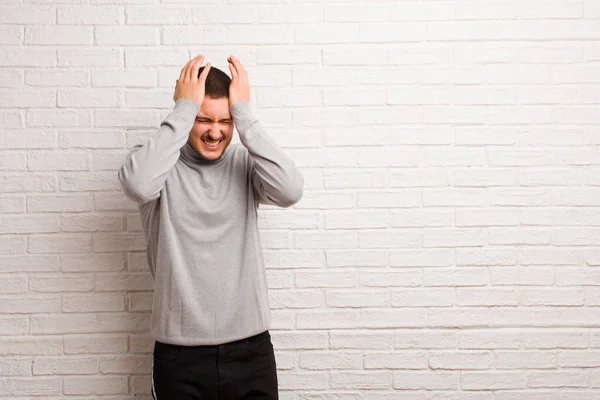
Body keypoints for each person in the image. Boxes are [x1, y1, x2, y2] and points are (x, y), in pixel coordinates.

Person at [118, 54, 304, 399]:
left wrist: (245, 114)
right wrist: (182, 109)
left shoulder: (245, 165)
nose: (215, 132)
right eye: (203, 119)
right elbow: (138, 186)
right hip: (179, 355)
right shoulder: (158, 164)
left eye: (225, 121)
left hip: (252, 350)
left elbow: (290, 190)